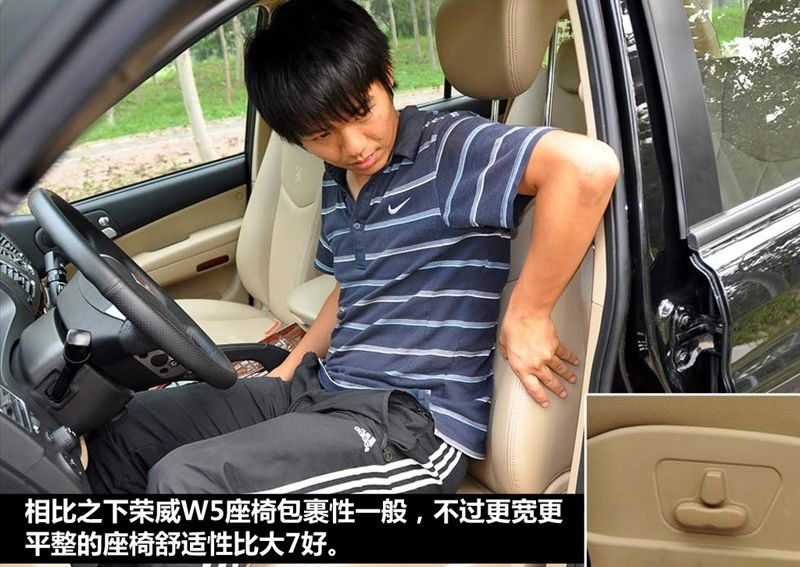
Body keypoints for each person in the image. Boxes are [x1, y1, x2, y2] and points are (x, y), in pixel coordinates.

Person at [86, 0, 618, 494]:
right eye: (322, 135)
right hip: (323, 390)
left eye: (362, 110)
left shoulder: (450, 147)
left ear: (386, 75)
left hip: (411, 425)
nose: (355, 146)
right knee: (124, 432)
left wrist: (528, 313)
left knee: (187, 480)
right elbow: (351, 288)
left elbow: (588, 167)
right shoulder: (337, 180)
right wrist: (288, 370)